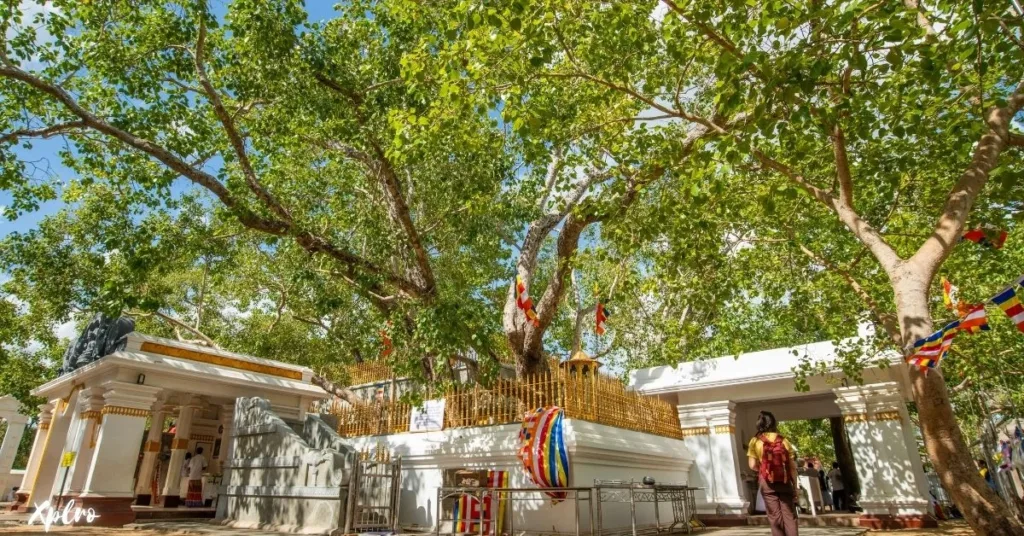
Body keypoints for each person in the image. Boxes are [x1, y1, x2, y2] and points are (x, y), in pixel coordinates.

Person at [747, 411, 799, 536]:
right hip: (785, 481)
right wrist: (795, 486)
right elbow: (792, 467)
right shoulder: (783, 440)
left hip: (767, 482)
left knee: (774, 516)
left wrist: (764, 469)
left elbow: (752, 465)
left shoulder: (755, 441)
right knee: (789, 515)